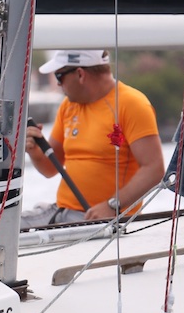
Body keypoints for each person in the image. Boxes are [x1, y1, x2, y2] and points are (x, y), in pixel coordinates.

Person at [22, 50, 166, 227]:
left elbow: (154, 169)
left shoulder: (132, 104)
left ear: (80, 74)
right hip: (61, 212)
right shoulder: (68, 106)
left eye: (59, 77)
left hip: (104, 220)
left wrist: (112, 205)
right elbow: (50, 169)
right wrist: (35, 151)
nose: (58, 85)